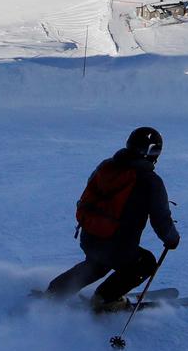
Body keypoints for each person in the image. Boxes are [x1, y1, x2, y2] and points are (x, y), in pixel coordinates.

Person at [46, 127, 180, 313]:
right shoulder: (150, 181)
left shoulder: (107, 166)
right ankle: (104, 299)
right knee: (145, 262)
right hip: (118, 247)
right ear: (151, 152)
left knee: (97, 264)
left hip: (90, 237)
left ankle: (55, 291)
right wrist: (172, 239)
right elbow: (161, 219)